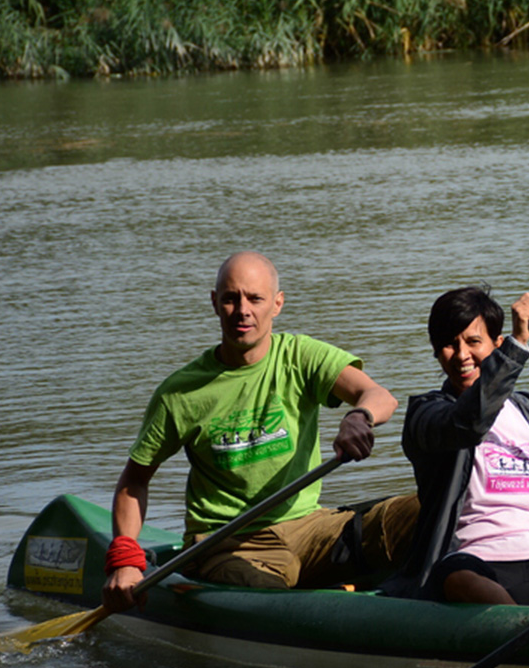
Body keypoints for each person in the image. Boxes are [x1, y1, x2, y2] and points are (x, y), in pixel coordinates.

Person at [100, 251, 416, 610]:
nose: (243, 310)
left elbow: (379, 396)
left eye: (255, 298)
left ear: (277, 304)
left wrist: (359, 417)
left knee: (427, 510)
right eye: (231, 298)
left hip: (311, 528)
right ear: (215, 303)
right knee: (268, 599)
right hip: (228, 543)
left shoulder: (300, 356)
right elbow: (134, 482)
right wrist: (125, 559)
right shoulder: (180, 393)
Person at [389, 286, 529, 605]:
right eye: (449, 345)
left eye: (473, 341)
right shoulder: (427, 414)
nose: (462, 355)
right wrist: (518, 345)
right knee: (457, 575)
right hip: (474, 563)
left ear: (496, 345)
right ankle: (521, 636)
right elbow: (469, 422)